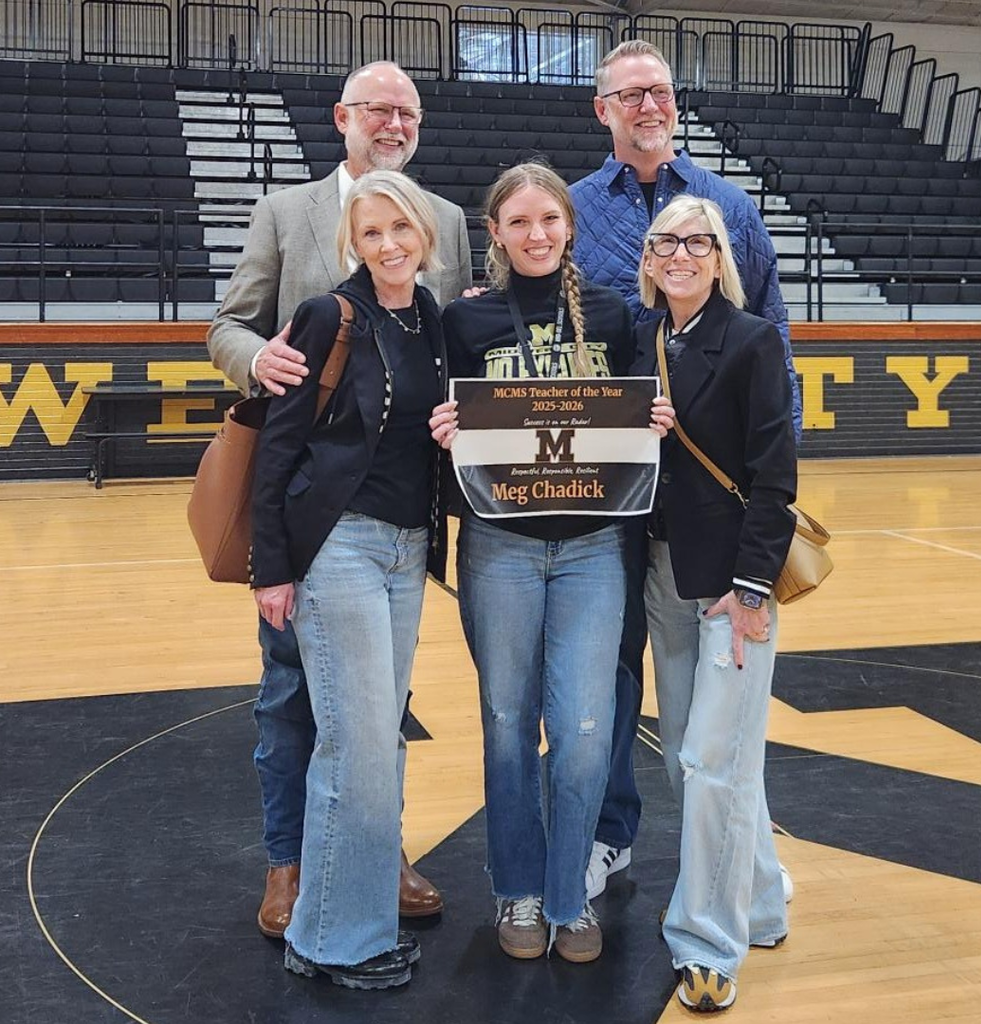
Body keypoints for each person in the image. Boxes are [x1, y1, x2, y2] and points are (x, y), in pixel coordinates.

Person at [207, 60, 472, 938]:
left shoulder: (446, 221)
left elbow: (449, 343)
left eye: (408, 113)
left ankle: (375, 850)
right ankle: (289, 862)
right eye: (378, 109)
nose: (394, 123)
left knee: (380, 705)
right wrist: (260, 359)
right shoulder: (286, 212)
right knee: (290, 697)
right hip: (314, 512)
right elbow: (227, 324)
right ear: (341, 117)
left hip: (401, 514)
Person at [568, 39, 801, 901]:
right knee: (610, 679)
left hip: (709, 513)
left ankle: (744, 888)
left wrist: (769, 498)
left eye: (660, 91)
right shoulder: (573, 209)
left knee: (710, 729)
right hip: (612, 504)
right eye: (630, 94)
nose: (648, 106)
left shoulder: (728, 204)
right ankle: (611, 836)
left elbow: (772, 339)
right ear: (603, 109)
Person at [429, 162, 674, 964]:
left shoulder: (612, 314)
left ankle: (570, 897)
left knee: (583, 730)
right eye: (519, 222)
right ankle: (518, 892)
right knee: (507, 726)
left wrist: (653, 418)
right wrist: (444, 430)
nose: (536, 235)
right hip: (498, 544)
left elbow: (631, 420)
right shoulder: (463, 320)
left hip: (594, 547)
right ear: (494, 234)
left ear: (569, 225)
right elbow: (442, 423)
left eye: (549, 219)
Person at [251, 170, 449, 990]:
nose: (388, 244)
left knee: (378, 741)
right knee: (356, 744)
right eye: (371, 233)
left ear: (424, 234)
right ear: (353, 244)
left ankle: (350, 919)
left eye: (400, 228)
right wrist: (271, 568)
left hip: (407, 549)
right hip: (339, 547)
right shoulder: (326, 315)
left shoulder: (431, 316)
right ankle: (331, 940)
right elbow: (277, 446)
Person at [633, 194, 796, 1012]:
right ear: (648, 259)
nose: (681, 255)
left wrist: (755, 587)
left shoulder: (753, 340)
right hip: (665, 572)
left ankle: (707, 943)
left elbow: (776, 473)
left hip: (733, 584)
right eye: (666, 242)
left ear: (720, 255)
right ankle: (761, 898)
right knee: (690, 759)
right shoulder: (641, 340)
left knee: (709, 762)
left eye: (697, 242)